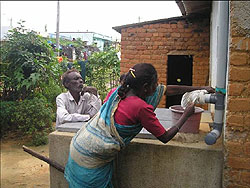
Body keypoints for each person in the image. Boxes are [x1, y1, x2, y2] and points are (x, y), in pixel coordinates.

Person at [64, 63, 214, 187]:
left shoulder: (119, 92)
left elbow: (168, 89)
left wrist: (200, 88)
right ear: (145, 87)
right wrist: (186, 115)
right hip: (90, 157)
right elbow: (165, 136)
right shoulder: (141, 108)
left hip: (80, 144)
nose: (158, 87)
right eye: (155, 84)